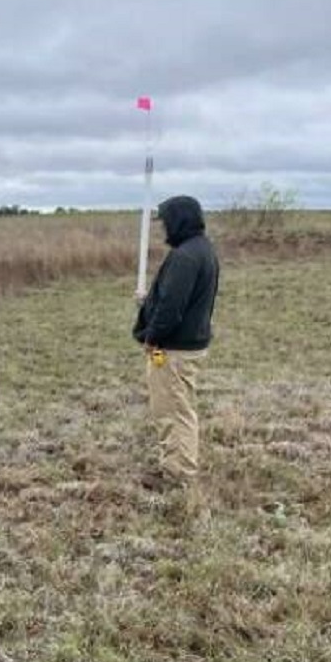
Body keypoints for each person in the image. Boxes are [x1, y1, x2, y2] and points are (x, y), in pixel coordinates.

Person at [132, 195, 219, 489]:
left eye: (166, 222)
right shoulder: (201, 249)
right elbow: (176, 297)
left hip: (175, 350)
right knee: (179, 407)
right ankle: (177, 467)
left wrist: (152, 336)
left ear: (179, 221)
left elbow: (172, 307)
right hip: (188, 345)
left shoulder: (184, 257)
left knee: (172, 411)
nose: (163, 229)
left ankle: (178, 476)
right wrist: (150, 301)